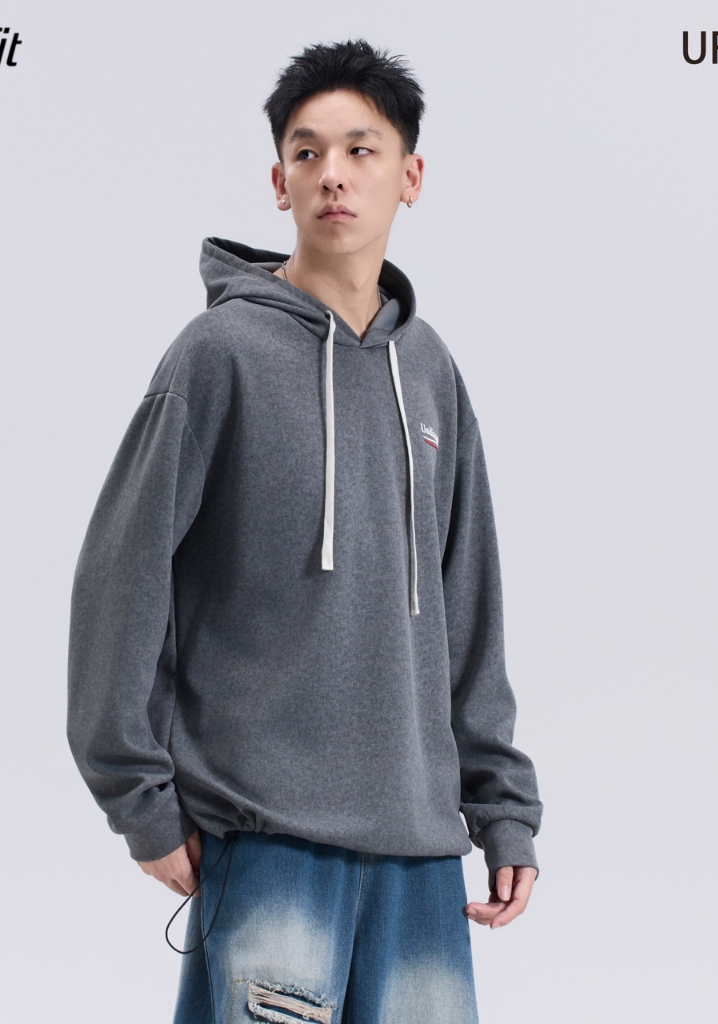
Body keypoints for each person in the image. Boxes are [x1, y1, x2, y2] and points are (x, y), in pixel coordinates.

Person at [68, 39, 542, 1024]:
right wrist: (140, 802)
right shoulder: (217, 356)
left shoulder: (432, 372)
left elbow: (469, 608)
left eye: (362, 150)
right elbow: (122, 581)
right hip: (267, 836)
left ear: (410, 176)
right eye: (307, 151)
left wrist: (501, 808)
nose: (334, 173)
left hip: (420, 852)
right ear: (278, 181)